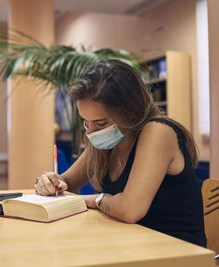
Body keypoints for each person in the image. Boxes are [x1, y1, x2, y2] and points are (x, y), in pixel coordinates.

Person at [35, 60, 207, 247]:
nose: (91, 132)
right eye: (86, 122)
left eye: (100, 123)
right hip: (129, 245)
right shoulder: (106, 139)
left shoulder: (158, 131)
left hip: (176, 251)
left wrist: (94, 199)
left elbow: (130, 209)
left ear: (130, 110)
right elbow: (66, 182)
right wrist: (49, 183)